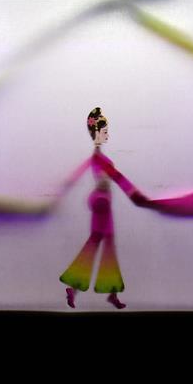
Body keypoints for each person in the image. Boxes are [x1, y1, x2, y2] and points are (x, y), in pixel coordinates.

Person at [59, 108, 127, 309]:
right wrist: (105, 182)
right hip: (102, 204)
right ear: (97, 133)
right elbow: (104, 178)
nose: (107, 135)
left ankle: (105, 292)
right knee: (99, 250)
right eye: (104, 131)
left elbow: (83, 172)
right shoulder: (98, 159)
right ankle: (89, 290)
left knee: (101, 249)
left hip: (104, 207)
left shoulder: (97, 158)